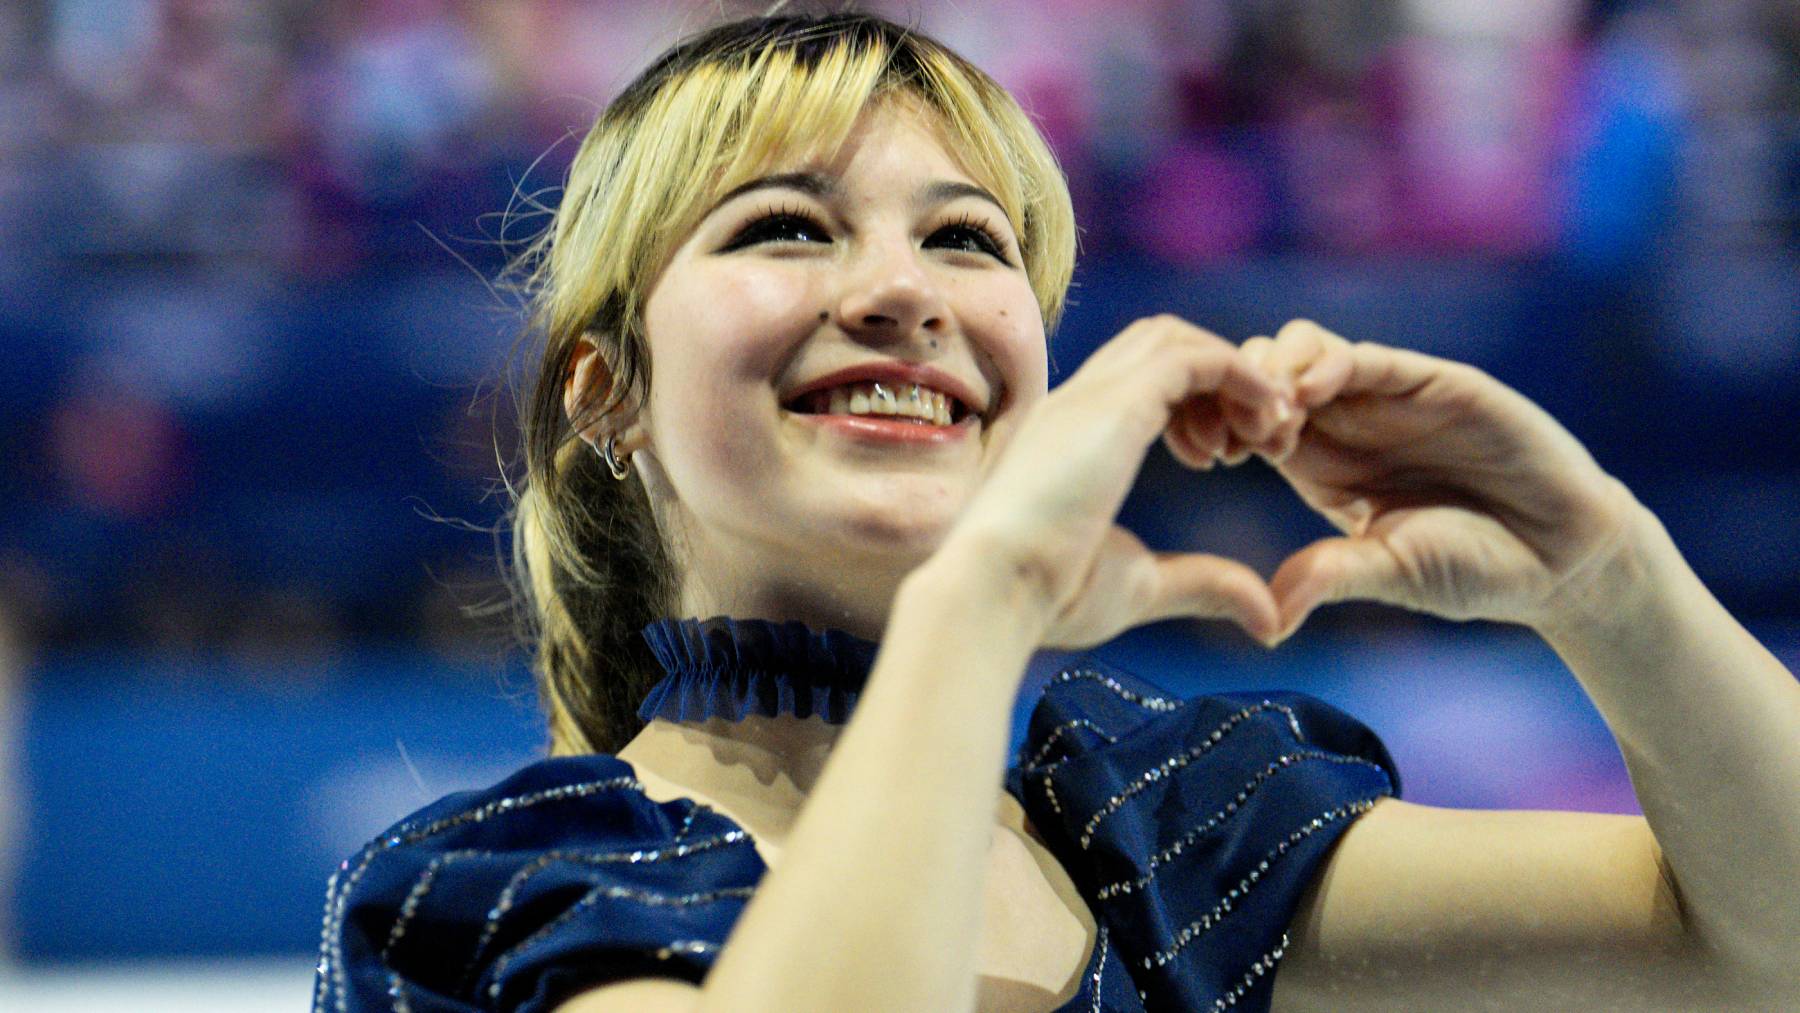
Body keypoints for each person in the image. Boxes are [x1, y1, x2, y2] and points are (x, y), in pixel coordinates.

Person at [314, 13, 1800, 1013]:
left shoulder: (1168, 820)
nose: (902, 293)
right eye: (783, 226)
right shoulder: (487, 899)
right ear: (604, 391)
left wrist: (1607, 574)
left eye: (967, 240)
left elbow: (1756, 944)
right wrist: (984, 596)